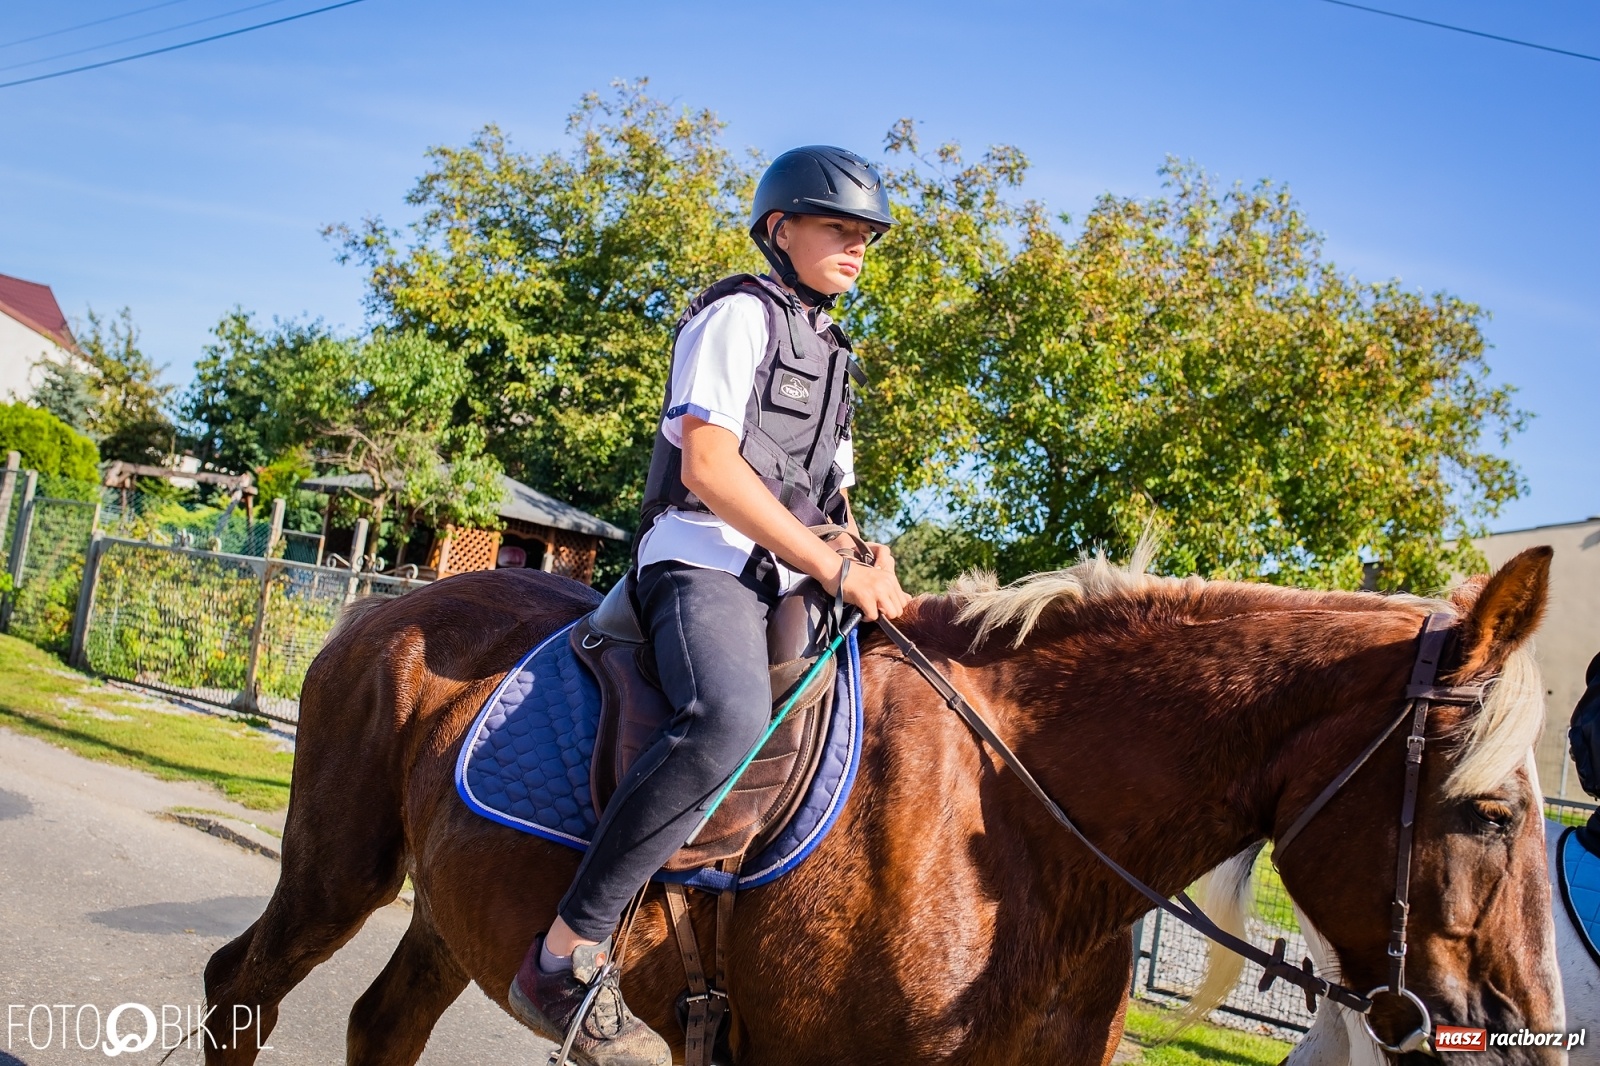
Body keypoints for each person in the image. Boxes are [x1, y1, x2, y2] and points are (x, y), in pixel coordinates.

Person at [507, 145, 912, 1065]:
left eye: (866, 235)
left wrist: (861, 554)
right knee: (727, 717)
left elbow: (828, 500)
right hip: (700, 563)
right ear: (780, 228)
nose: (858, 247)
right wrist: (829, 565)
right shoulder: (737, 316)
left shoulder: (836, 355)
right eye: (838, 228)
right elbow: (710, 466)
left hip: (784, 574)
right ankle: (564, 954)